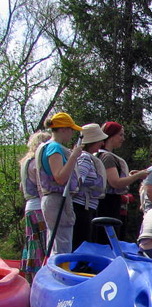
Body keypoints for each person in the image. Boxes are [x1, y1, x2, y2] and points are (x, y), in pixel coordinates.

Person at [37, 112, 84, 256]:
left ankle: (56, 273)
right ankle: (60, 274)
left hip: (52, 200)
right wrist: (74, 156)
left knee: (56, 242)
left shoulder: (47, 146)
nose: (72, 134)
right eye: (71, 129)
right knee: (62, 245)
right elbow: (60, 177)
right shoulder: (54, 147)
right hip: (57, 199)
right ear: (63, 129)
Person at [96, 121, 149, 240]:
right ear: (110, 136)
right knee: (108, 239)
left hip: (108, 203)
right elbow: (115, 182)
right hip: (108, 204)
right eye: (120, 135)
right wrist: (137, 176)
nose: (123, 139)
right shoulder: (107, 157)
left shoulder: (104, 156)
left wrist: (129, 175)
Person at [18, 130, 52, 281]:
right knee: (43, 244)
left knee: (33, 244)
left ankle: (30, 278)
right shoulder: (35, 163)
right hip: (39, 207)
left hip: (29, 206)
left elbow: (21, 186)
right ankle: (41, 279)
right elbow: (41, 185)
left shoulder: (25, 162)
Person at [71, 124, 108, 250]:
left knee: (84, 242)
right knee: (81, 243)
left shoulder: (88, 157)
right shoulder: (85, 158)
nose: (102, 143)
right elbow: (78, 180)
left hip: (87, 207)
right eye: (100, 140)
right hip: (81, 207)